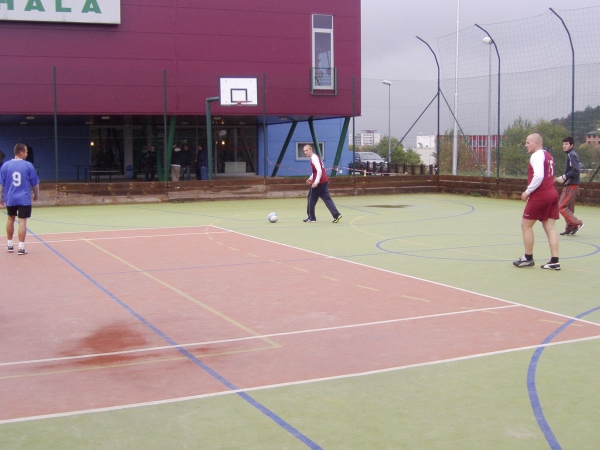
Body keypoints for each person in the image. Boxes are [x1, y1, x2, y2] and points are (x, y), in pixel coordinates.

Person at [513, 133, 560, 270]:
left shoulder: (536, 156)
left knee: (526, 225)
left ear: (536, 143)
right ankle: (555, 260)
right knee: (550, 228)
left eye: (528, 142)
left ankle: (528, 258)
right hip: (552, 193)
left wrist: (528, 191)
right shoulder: (548, 155)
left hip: (541, 195)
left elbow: (539, 176)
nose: (526, 145)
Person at [0, 143, 40, 255]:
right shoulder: (28, 166)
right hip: (24, 198)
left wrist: (1, 198)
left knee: (10, 219)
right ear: (21, 153)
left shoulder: (6, 166)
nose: (27, 154)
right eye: (26, 152)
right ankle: (21, 247)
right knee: (22, 221)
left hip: (11, 198)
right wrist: (36, 195)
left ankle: (9, 244)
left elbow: (1, 184)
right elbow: (35, 183)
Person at [303, 144, 342, 223]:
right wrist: (310, 178)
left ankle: (311, 218)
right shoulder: (315, 157)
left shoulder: (314, 158)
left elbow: (319, 171)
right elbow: (316, 171)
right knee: (327, 199)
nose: (305, 152)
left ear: (311, 150)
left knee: (311, 198)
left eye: (307, 150)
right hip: (324, 180)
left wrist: (316, 182)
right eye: (304, 151)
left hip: (319, 182)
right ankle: (336, 215)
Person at [556, 136, 584, 236]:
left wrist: (564, 177)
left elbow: (576, 171)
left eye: (567, 144)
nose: (564, 146)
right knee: (568, 207)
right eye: (563, 144)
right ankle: (571, 228)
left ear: (572, 145)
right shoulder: (570, 154)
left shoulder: (572, 155)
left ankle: (577, 223)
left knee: (561, 206)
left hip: (571, 185)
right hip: (571, 184)